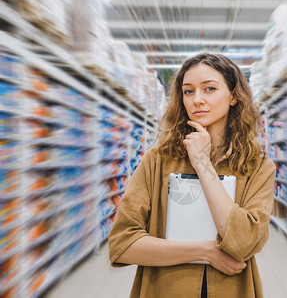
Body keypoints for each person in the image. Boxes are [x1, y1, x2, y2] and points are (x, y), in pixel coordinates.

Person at [108, 53, 276, 298]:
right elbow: (122, 245)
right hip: (165, 289)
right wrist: (205, 252)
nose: (197, 99)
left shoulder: (258, 167)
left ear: (233, 96)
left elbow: (244, 243)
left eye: (209, 89)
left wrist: (202, 163)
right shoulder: (158, 160)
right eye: (188, 91)